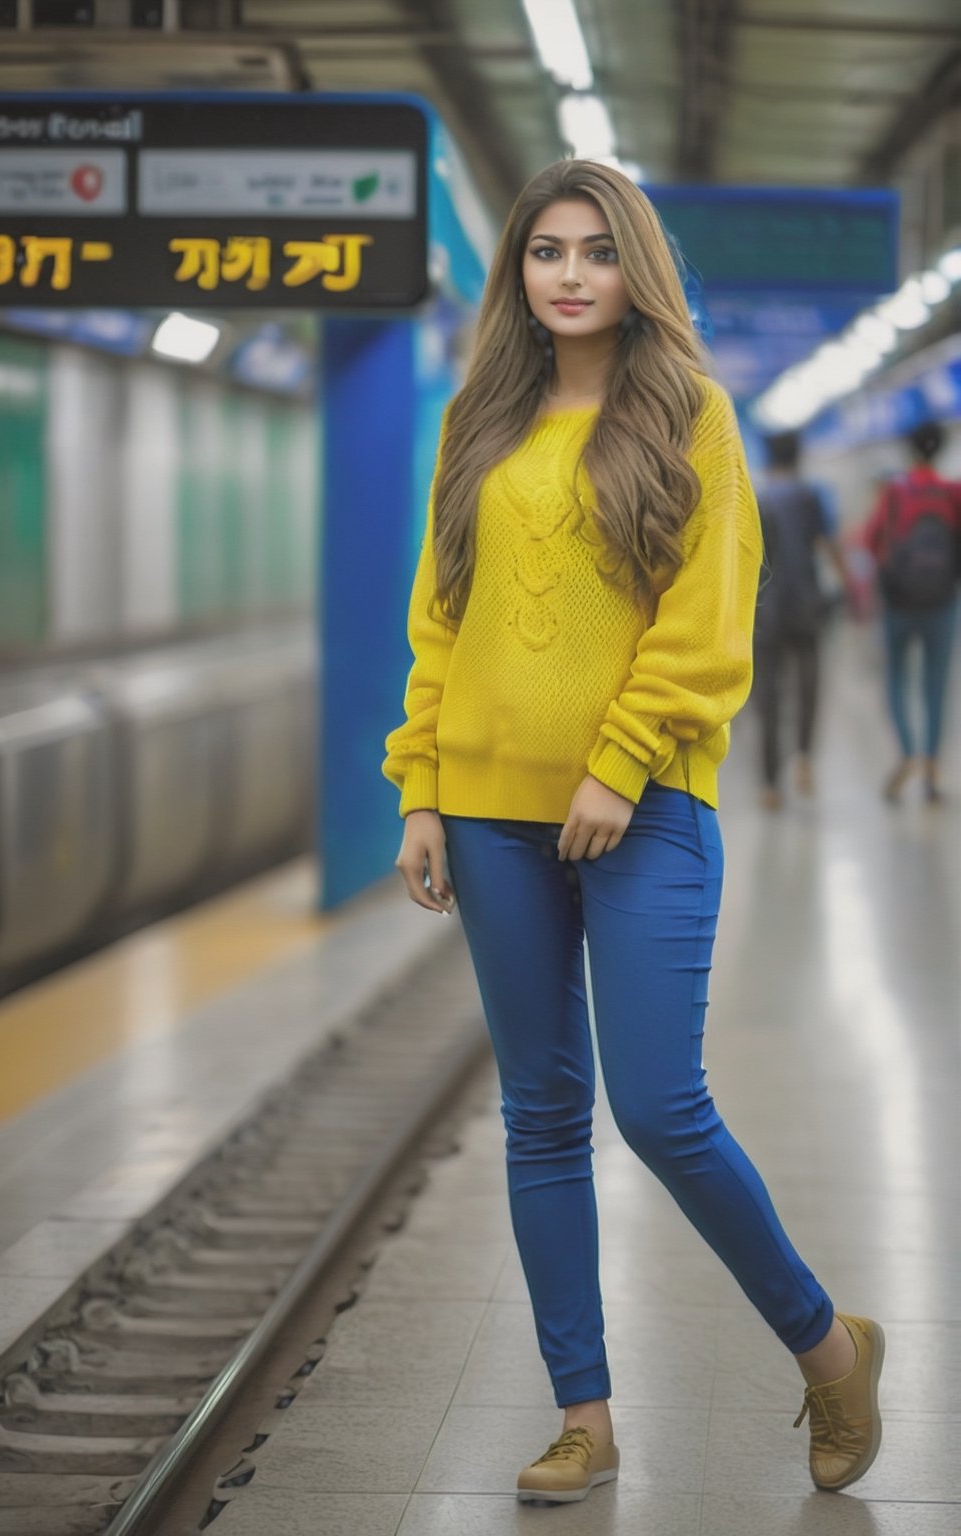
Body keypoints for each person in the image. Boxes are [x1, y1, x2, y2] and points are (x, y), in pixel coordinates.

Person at [382, 160, 884, 1506]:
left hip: (647, 807)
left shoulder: (692, 416)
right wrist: (420, 783)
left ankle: (828, 1347)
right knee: (543, 1114)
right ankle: (585, 1419)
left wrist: (616, 762)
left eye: (597, 251)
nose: (569, 274)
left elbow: (709, 624)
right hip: (487, 815)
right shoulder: (475, 422)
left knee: (661, 1106)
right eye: (545, 251)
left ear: (635, 269)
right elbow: (444, 617)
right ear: (519, 274)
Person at [859, 419, 960, 802]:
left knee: (897, 680)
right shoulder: (952, 492)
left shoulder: (895, 492)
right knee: (935, 685)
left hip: (899, 601)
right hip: (943, 602)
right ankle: (932, 766)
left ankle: (907, 753)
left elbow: (871, 541)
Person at [753, 431, 851, 810]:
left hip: (765, 610)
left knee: (769, 696)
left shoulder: (758, 499)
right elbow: (827, 544)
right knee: (808, 684)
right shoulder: (809, 496)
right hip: (806, 606)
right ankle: (804, 757)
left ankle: (769, 784)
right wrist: (848, 586)